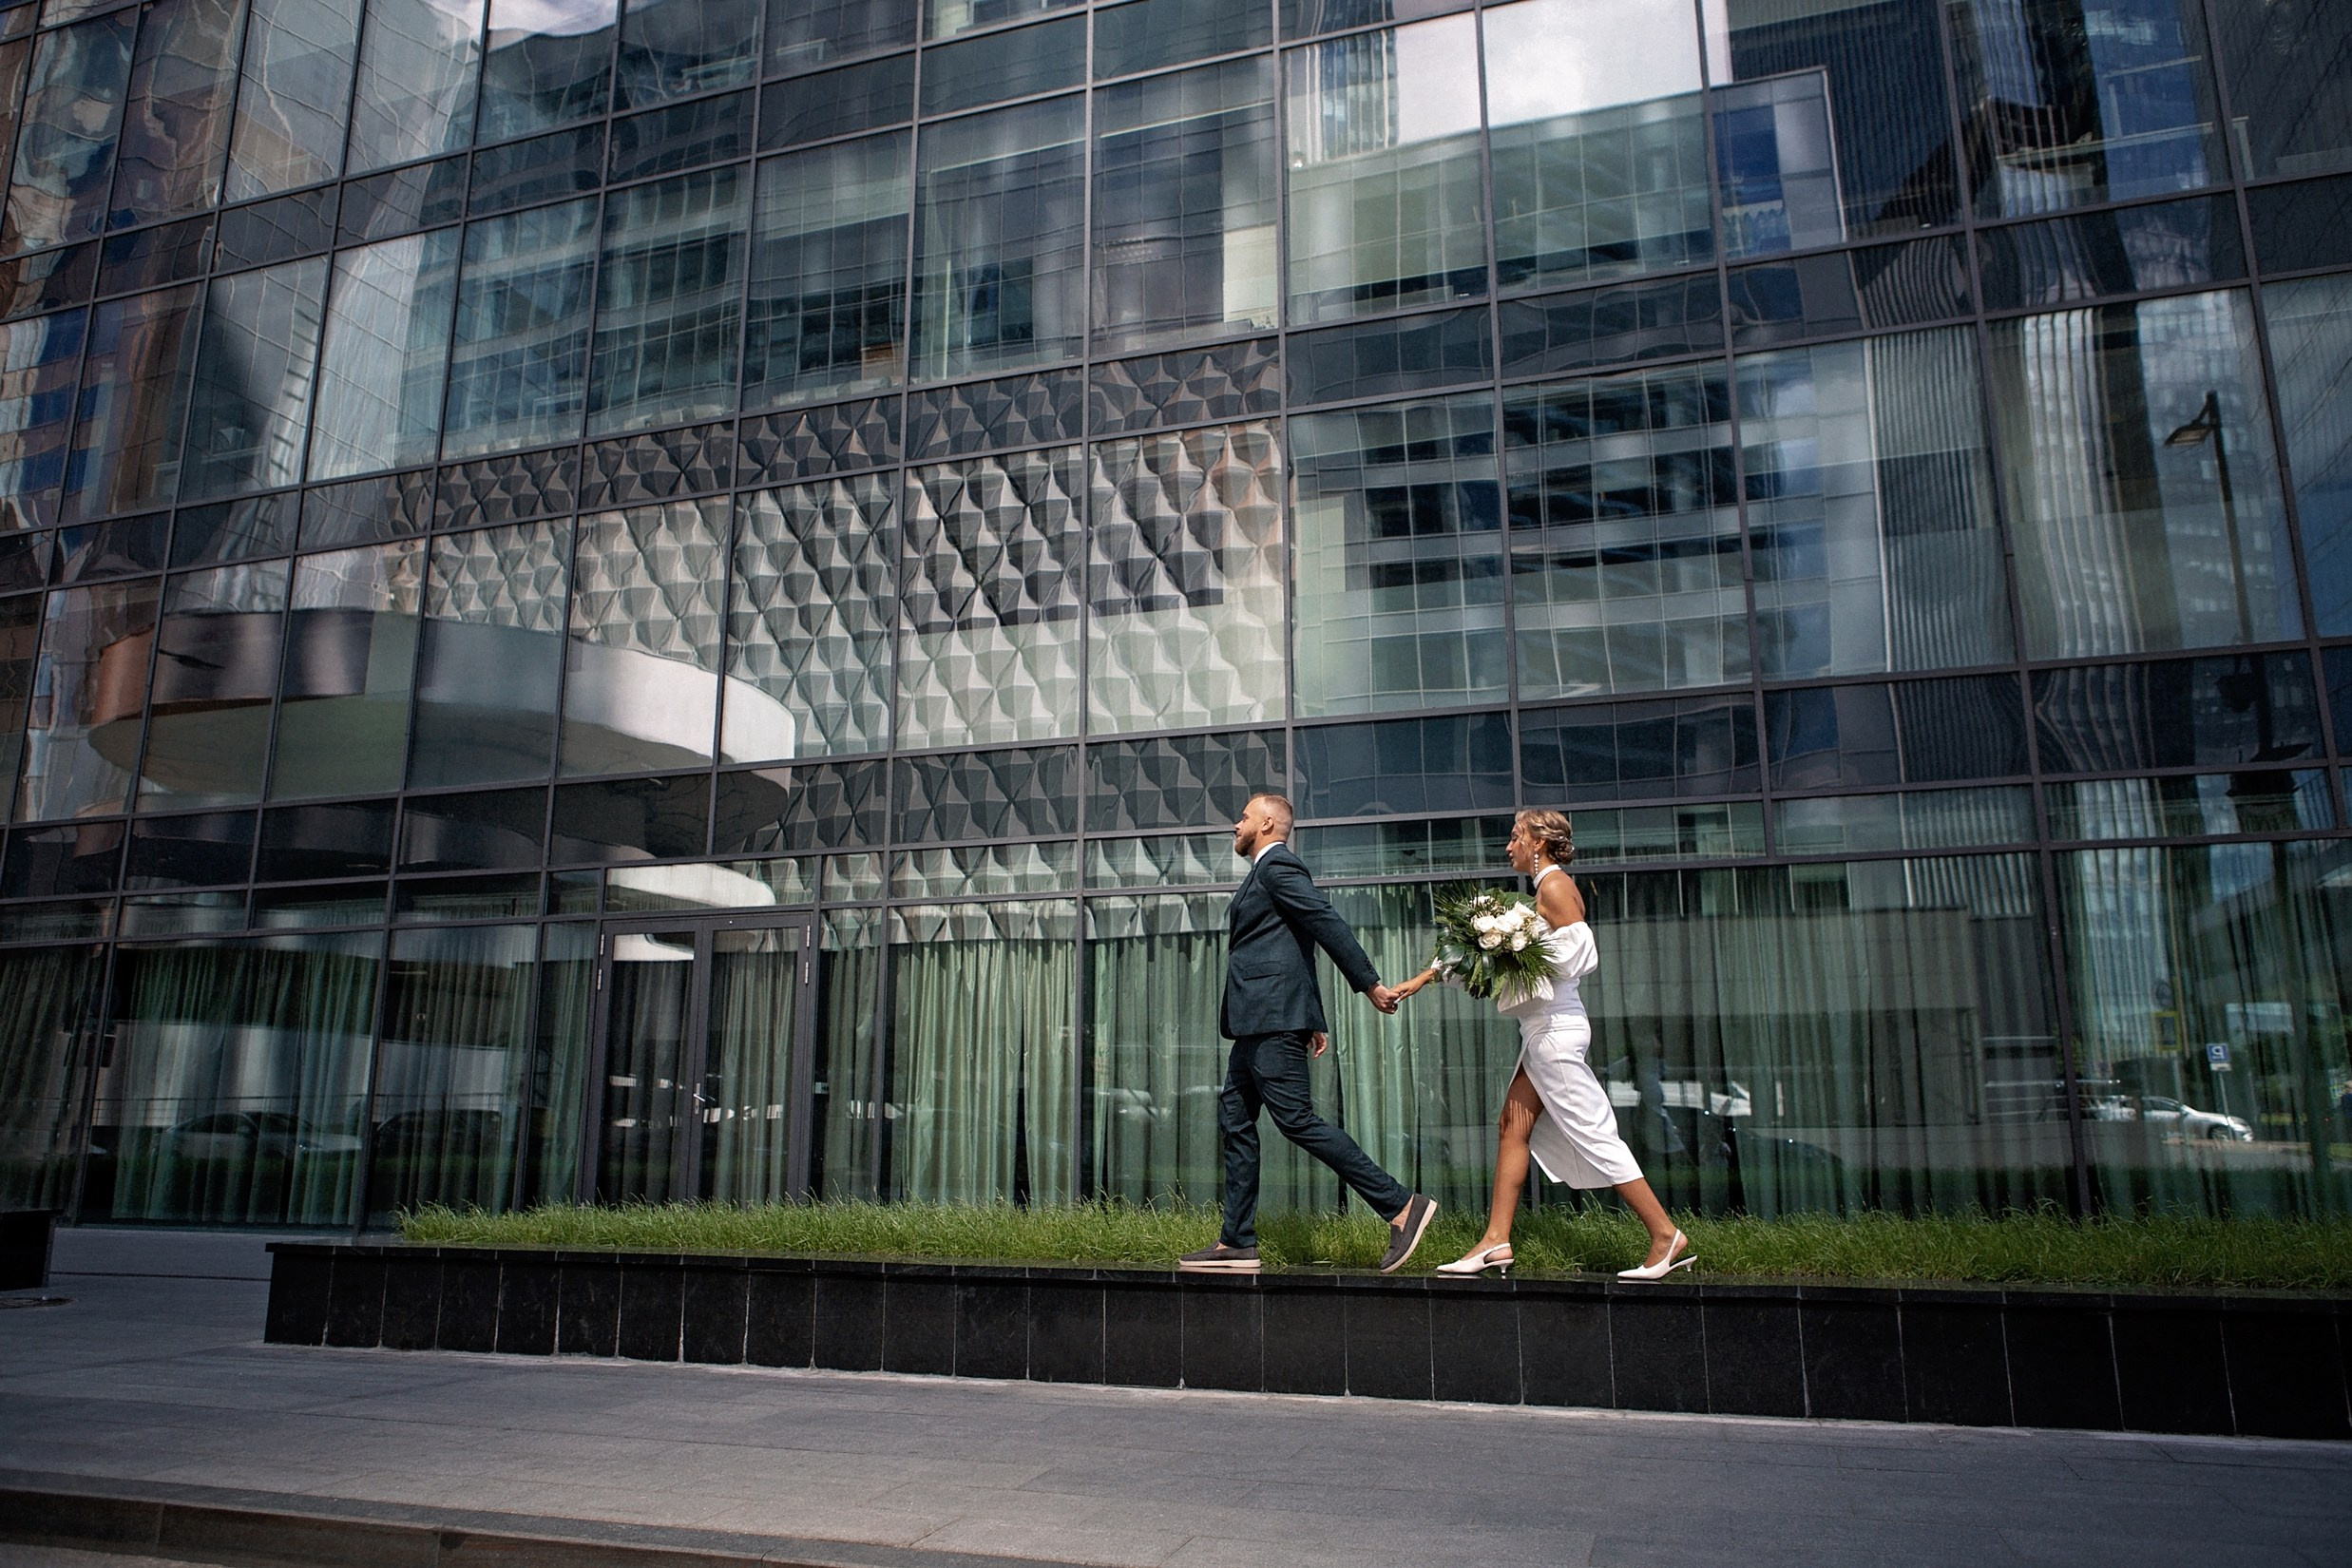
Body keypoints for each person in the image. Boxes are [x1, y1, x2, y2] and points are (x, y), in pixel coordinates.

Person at [1393, 809, 1692, 1281]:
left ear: (1538, 842)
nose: (1509, 847)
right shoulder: (1541, 892)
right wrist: (1429, 976)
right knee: (1512, 1127)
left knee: (1594, 1133)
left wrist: (1513, 956)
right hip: (1541, 1033)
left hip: (1555, 1033)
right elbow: (1494, 955)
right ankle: (1496, 1241)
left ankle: (1663, 1234)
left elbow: (1580, 951)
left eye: (1515, 838)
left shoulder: (1552, 886)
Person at [1178, 792, 1441, 1275]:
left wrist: (1370, 984)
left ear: (1268, 823)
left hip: (1270, 1019)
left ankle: (1402, 1206)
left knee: (1296, 1120)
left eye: (1243, 817)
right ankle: (1237, 1242)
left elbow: (1324, 923)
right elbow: (1294, 945)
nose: (1235, 825)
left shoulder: (1278, 868)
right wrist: (1313, 1016)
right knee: (1234, 1118)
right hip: (1261, 1020)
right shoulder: (1266, 873)